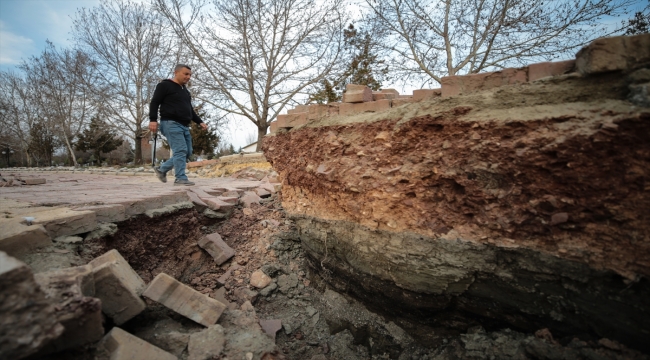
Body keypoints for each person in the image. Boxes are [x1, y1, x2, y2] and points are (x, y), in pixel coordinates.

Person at [149, 64, 207, 186]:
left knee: (187, 152)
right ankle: (180, 178)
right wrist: (153, 119)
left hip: (184, 125)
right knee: (180, 150)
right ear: (176, 72)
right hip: (170, 123)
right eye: (186, 74)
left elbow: (190, 110)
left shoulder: (185, 91)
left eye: (190, 75)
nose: (188, 77)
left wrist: (199, 121)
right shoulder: (164, 85)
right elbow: (155, 102)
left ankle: (162, 169)